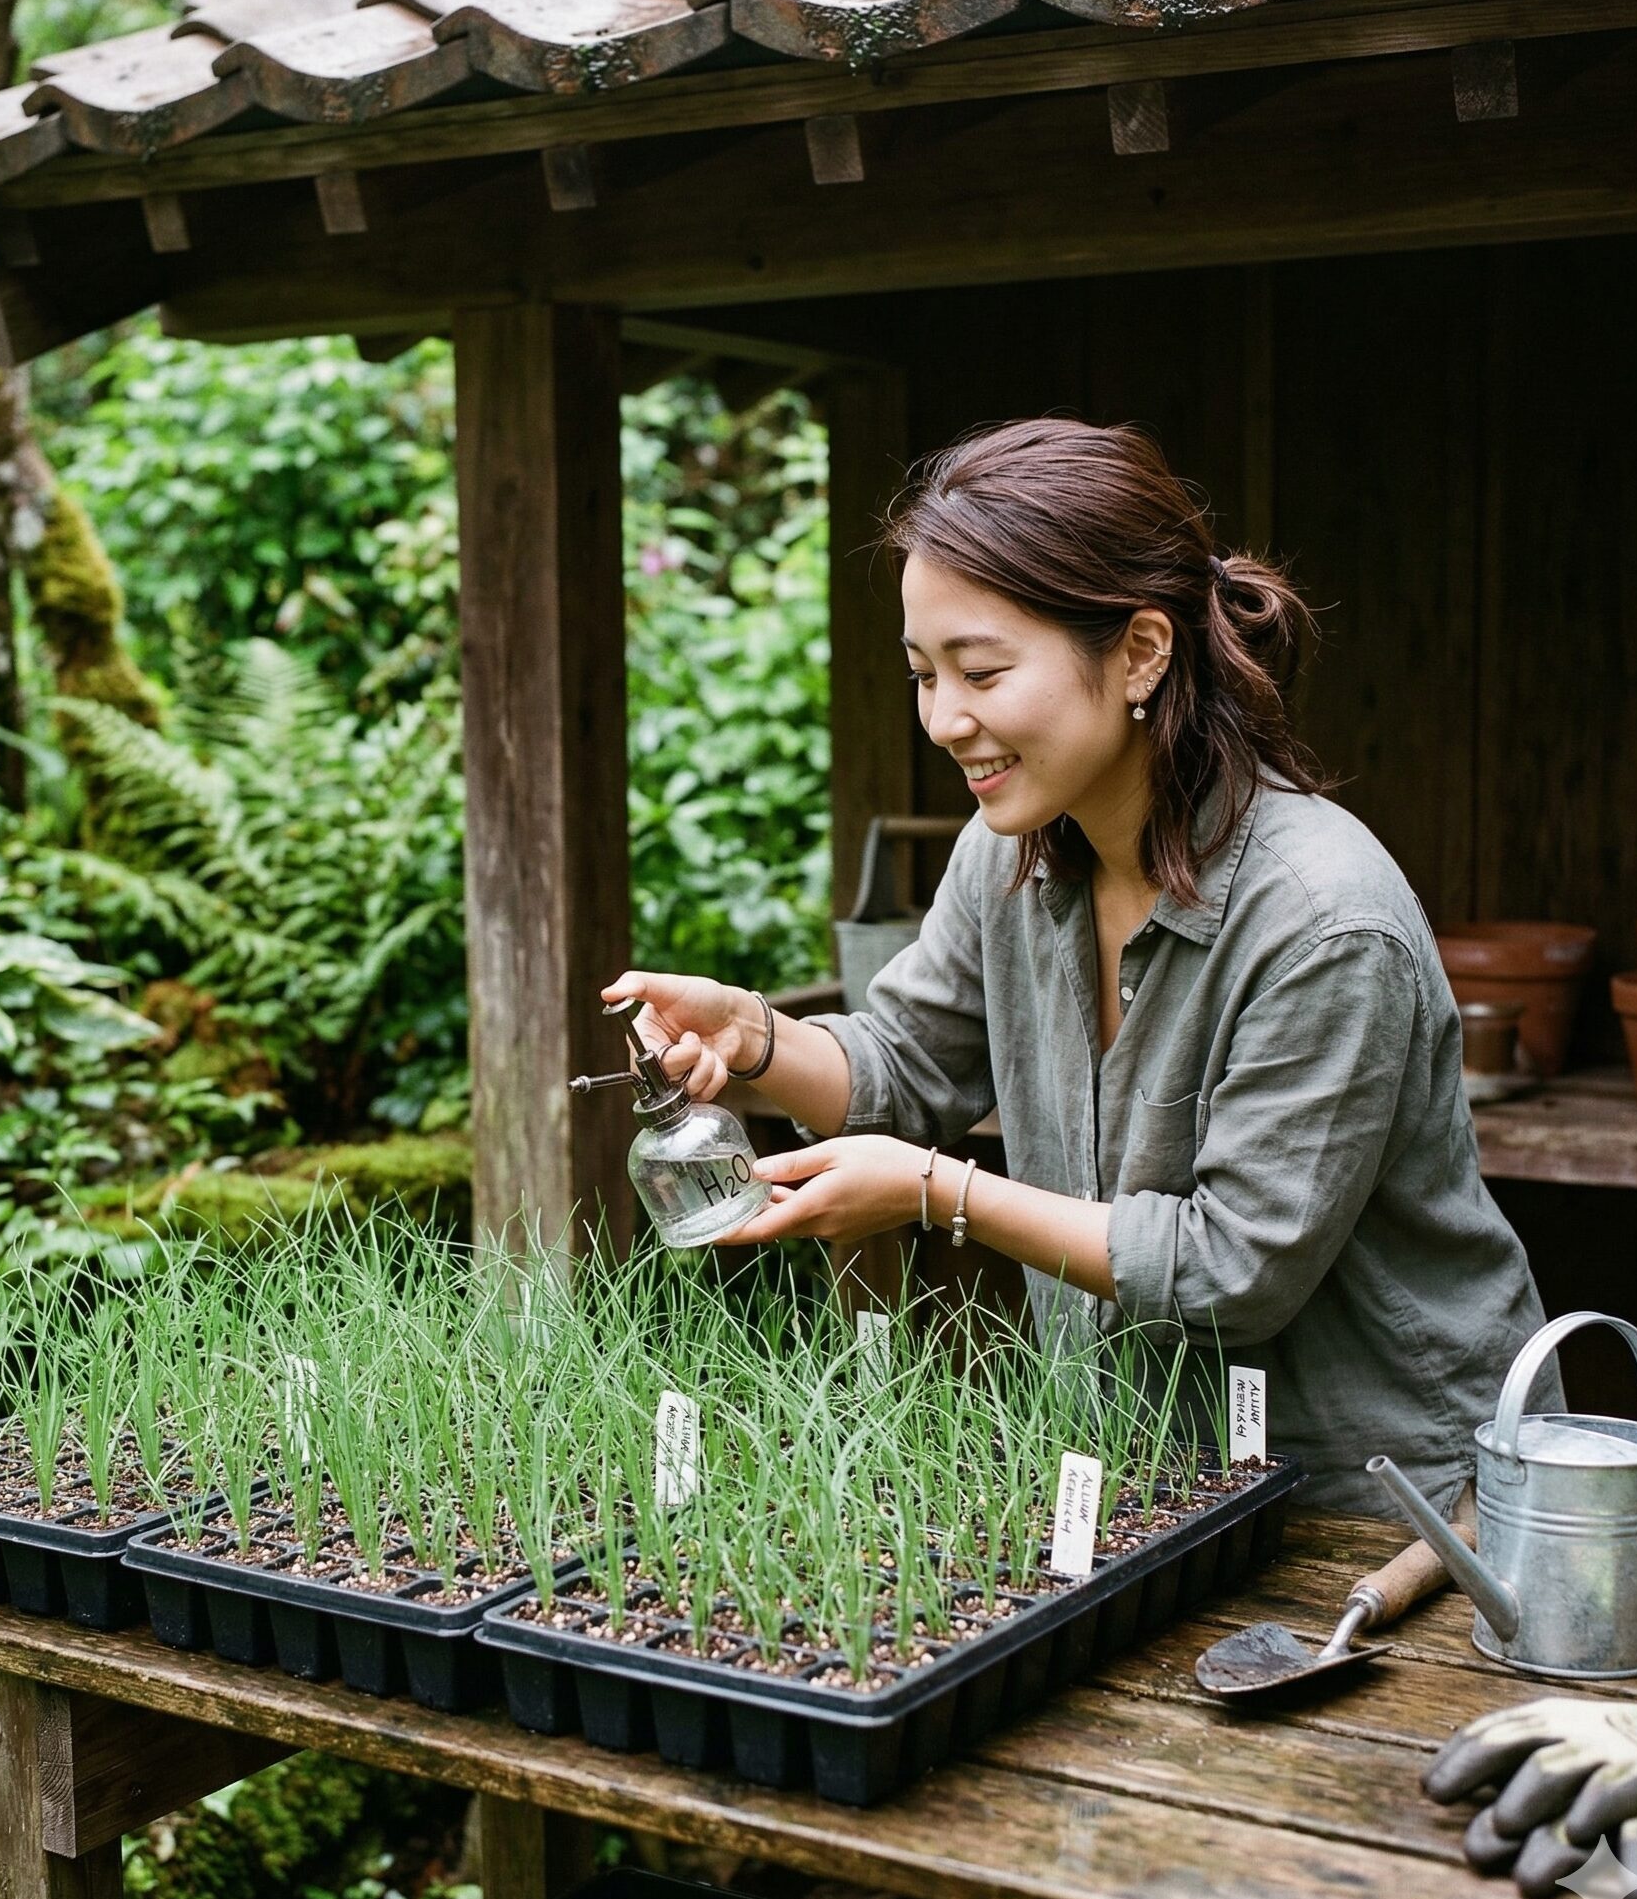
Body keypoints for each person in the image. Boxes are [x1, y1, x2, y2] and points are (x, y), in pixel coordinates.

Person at [605, 417, 1555, 1518]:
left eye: (982, 670)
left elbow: (1228, 1270)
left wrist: (932, 1190)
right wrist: (751, 1037)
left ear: (1141, 652)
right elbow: (906, 1064)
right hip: (1149, 1476)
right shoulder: (1008, 853)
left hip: (1387, 1504)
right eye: (921, 673)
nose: (943, 718)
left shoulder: (1322, 922)